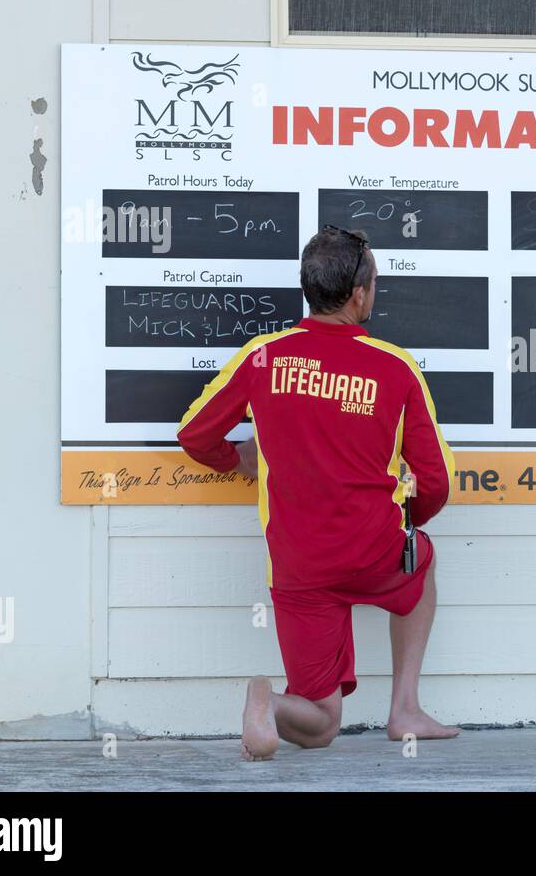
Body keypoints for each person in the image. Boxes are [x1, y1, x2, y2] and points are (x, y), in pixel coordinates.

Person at [176, 225, 459, 760]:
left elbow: (194, 434)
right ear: (359, 294)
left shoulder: (264, 356)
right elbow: (435, 481)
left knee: (322, 723)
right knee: (421, 560)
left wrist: (240, 461)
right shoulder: (396, 368)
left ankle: (267, 702)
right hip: (375, 550)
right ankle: (405, 710)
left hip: (299, 566)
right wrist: (408, 523)